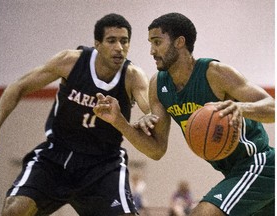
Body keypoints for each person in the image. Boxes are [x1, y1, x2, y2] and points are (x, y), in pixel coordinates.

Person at [93, 13, 275, 216]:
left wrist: (241, 108)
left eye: (157, 42)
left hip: (260, 164)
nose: (152, 51)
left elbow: (272, 107)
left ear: (179, 42)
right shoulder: (158, 85)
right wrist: (120, 122)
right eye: (150, 43)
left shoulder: (214, 73)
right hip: (233, 172)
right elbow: (156, 150)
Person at [0, 13, 151, 216]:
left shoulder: (132, 76)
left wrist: (148, 115)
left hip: (103, 163)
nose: (119, 47)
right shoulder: (71, 62)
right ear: (97, 43)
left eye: (124, 41)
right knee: (15, 209)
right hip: (57, 155)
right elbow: (19, 86)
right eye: (112, 41)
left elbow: (149, 108)